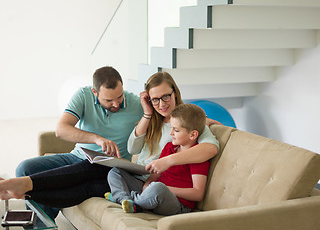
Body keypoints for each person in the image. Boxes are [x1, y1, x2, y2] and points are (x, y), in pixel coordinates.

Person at [0, 71, 219, 219]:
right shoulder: (149, 115)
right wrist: (146, 113)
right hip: (134, 175)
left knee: (87, 183)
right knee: (94, 168)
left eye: (166, 97)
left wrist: (167, 160)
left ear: (175, 93)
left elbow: (209, 147)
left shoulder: (188, 122)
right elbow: (134, 148)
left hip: (149, 181)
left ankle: (28, 191)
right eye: (155, 99)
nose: (161, 104)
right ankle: (26, 186)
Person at [7, 66, 144, 219]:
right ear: (95, 92)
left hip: (109, 168)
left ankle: (36, 214)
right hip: (77, 156)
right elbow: (61, 130)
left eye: (119, 96)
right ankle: (40, 224)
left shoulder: (137, 104)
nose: (116, 104)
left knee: (67, 179)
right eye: (108, 100)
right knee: (25, 168)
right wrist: (96, 138)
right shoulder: (83, 95)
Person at [107, 103, 211, 215]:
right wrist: (147, 184)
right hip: (153, 192)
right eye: (171, 128)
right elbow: (155, 174)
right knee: (116, 171)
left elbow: (198, 194)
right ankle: (125, 200)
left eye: (176, 130)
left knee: (158, 188)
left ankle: (128, 200)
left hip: (177, 203)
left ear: (192, 135)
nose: (171, 133)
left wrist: (165, 188)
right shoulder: (169, 147)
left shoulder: (198, 157)